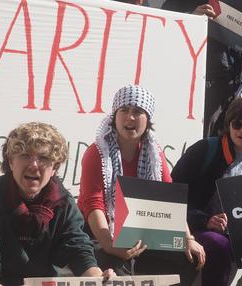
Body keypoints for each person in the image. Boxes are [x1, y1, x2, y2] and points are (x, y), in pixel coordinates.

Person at [0, 122, 114, 286]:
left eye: (43, 158)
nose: (34, 165)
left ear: (55, 168)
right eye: (25, 155)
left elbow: (78, 250)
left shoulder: (64, 204)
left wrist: (99, 279)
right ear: (11, 162)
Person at [77, 84, 204, 285]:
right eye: (124, 110)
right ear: (115, 116)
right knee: (114, 267)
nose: (130, 117)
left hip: (144, 235)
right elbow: (94, 205)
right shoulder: (96, 153)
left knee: (190, 258)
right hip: (102, 235)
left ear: (148, 120)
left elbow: (169, 201)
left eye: (137, 112)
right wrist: (111, 245)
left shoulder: (154, 153)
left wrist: (188, 238)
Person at [171, 97, 242, 286]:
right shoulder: (204, 150)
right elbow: (173, 193)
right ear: (229, 124)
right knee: (220, 245)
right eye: (237, 123)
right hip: (198, 229)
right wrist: (204, 219)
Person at [161, 0, 242, 138]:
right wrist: (192, 18)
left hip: (228, 87)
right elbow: (163, 28)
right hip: (193, 84)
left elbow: (235, 44)